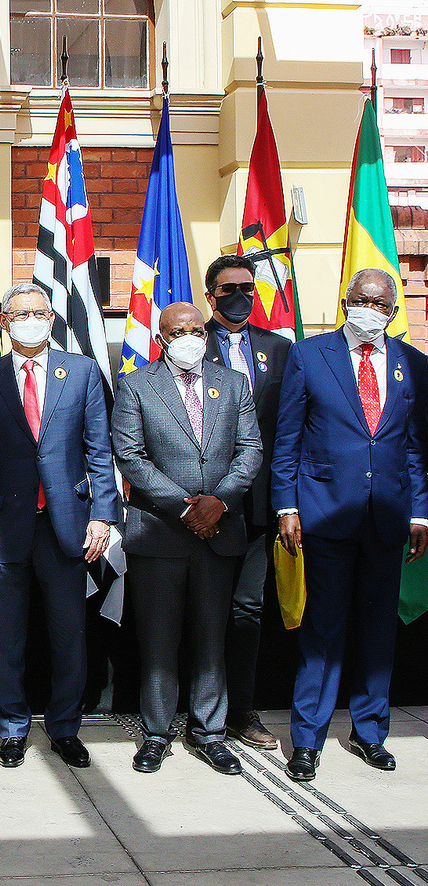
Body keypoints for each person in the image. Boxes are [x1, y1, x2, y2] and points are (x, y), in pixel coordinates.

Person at [271, 267, 428, 782]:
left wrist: (420, 510)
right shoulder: (310, 355)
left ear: (392, 311)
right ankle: (308, 740)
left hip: (387, 517)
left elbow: (414, 447)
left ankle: (370, 732)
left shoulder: (413, 365)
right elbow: (288, 437)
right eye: (363, 300)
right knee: (323, 629)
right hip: (324, 513)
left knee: (378, 630)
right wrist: (286, 507)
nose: (372, 310)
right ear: (345, 302)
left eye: (382, 304)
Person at [0, 282, 117, 769]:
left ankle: (65, 728)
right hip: (4, 527)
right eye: (20, 313)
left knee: (69, 635)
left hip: (67, 525)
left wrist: (103, 516)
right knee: (6, 636)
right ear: (5, 322)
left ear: (53, 318)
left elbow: (99, 451)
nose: (31, 319)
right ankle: (11, 728)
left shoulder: (84, 372)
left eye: (40, 312)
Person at [112, 302, 262, 775]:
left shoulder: (234, 383)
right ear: (161, 338)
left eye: (197, 329)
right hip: (160, 533)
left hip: (220, 531)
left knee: (211, 639)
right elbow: (131, 456)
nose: (190, 337)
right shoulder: (136, 385)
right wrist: (186, 506)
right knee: (158, 640)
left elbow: (251, 448)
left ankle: (210, 732)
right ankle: (156, 734)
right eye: (179, 331)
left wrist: (219, 500)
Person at [203, 254, 291, 750]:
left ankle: (241, 709)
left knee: (247, 610)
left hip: (258, 506)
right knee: (201, 610)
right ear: (210, 293)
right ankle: (198, 708)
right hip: (205, 503)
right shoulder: (188, 345)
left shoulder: (279, 349)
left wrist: (287, 504)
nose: (240, 296)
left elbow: (291, 429)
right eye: (229, 288)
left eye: (248, 288)